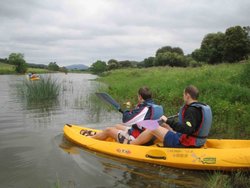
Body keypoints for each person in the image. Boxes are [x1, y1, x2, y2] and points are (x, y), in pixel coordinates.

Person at [128, 85, 212, 148]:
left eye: (183, 94)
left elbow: (188, 129)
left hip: (185, 143)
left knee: (153, 126)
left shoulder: (191, 110)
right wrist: (166, 123)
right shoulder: (199, 107)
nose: (183, 96)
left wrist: (168, 120)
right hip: (197, 141)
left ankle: (130, 144)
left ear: (187, 95)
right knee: (163, 125)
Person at [82, 86, 164, 144]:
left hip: (138, 138)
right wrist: (133, 110)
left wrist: (126, 111)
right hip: (148, 135)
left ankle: (90, 139)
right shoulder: (157, 107)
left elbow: (126, 120)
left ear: (140, 97)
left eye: (137, 96)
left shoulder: (145, 109)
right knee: (117, 125)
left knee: (108, 130)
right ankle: (102, 135)